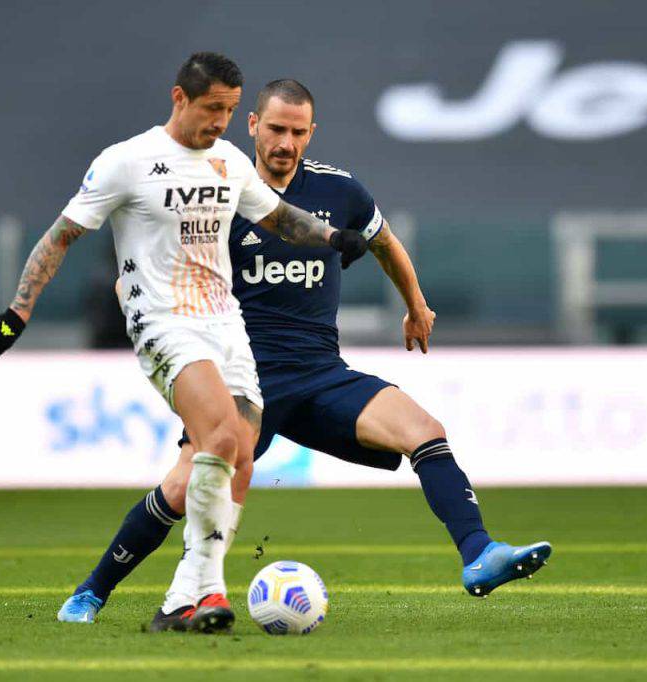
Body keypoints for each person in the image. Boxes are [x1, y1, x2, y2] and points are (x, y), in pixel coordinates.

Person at [56, 79, 552, 630]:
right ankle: (91, 593)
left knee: (424, 429)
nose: (285, 142)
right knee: (179, 489)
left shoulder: (341, 193)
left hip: (320, 375)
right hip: (243, 383)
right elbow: (153, 269)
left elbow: (384, 241)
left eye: (297, 131)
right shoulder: (218, 194)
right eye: (275, 129)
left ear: (311, 133)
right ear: (252, 126)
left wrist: (416, 304)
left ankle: (479, 555)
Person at [0, 57, 369, 634]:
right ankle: (208, 592)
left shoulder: (229, 160)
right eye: (214, 109)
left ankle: (178, 598)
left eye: (232, 111)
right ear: (179, 97)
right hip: (161, 322)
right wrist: (18, 312)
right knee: (221, 436)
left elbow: (281, 218)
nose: (223, 121)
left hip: (224, 323)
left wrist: (336, 236)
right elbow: (62, 235)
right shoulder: (125, 162)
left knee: (236, 457)